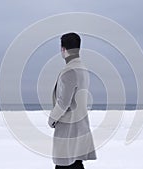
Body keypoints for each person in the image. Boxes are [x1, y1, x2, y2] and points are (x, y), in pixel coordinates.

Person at [48, 32, 97, 169]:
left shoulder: (70, 70)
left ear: (63, 50)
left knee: (65, 164)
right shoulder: (83, 69)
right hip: (79, 125)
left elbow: (64, 102)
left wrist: (52, 119)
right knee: (75, 163)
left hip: (69, 127)